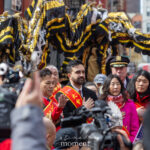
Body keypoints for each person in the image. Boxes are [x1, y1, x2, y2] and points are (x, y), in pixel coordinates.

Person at [100, 74, 139, 142]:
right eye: (113, 84)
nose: (116, 87)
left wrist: (129, 143)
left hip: (126, 142)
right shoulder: (101, 104)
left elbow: (135, 129)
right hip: (108, 143)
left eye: (118, 84)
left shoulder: (130, 104)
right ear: (107, 86)